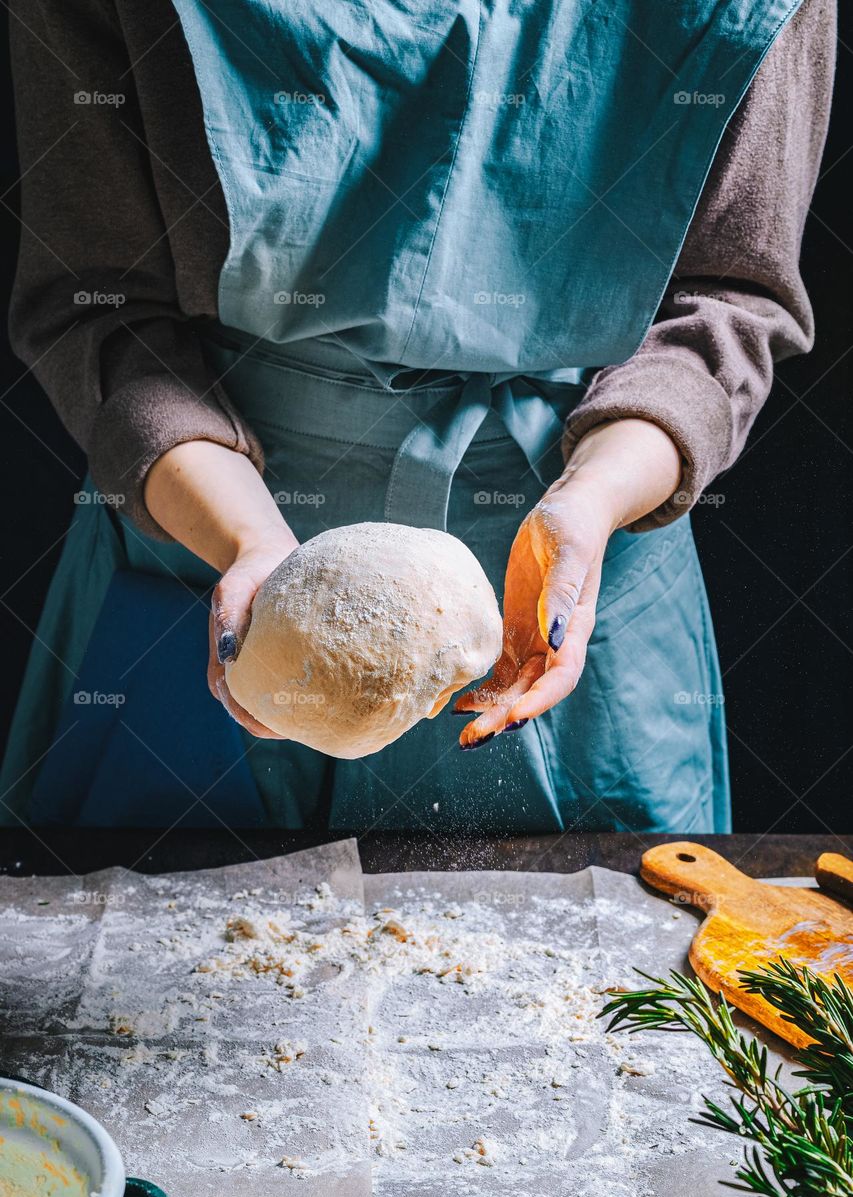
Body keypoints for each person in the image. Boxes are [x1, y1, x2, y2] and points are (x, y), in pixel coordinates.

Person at [1, 0, 834, 834]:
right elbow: (100, 302)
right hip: (207, 528)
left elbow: (724, 299)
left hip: (579, 568)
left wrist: (591, 502)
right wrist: (248, 543)